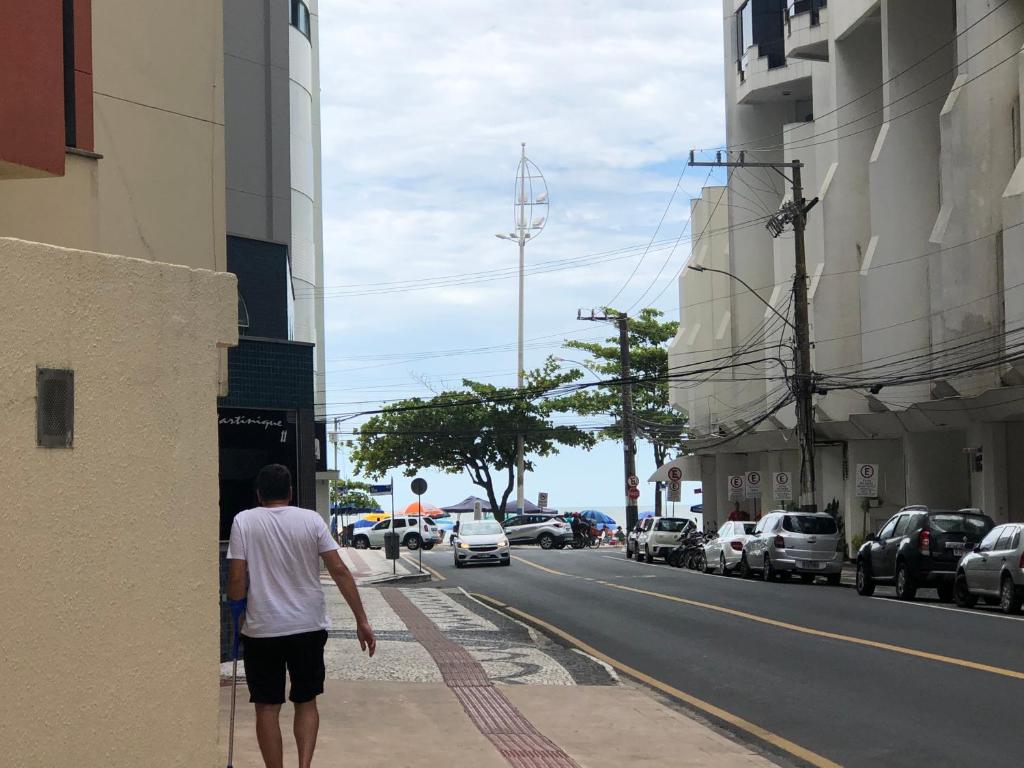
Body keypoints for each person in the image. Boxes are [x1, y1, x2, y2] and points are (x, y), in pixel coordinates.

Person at [227, 464, 376, 768]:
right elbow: (339, 570)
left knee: (267, 707)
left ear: (259, 494)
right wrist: (361, 619)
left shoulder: (244, 521)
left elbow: (237, 576)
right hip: (307, 627)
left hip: (263, 629)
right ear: (291, 492)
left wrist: (235, 610)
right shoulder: (311, 520)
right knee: (306, 701)